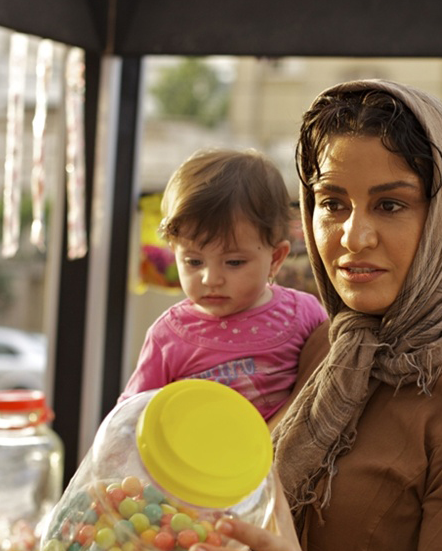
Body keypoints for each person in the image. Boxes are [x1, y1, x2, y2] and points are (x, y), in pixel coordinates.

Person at [151, 80, 442, 551]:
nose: (353, 238)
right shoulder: (326, 348)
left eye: (390, 205)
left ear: (440, 214)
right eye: (333, 203)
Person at [119, 148, 327, 420]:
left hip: (284, 445)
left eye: (234, 262)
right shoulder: (167, 336)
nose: (211, 279)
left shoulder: (303, 313)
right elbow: (130, 414)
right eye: (194, 261)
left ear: (276, 258)